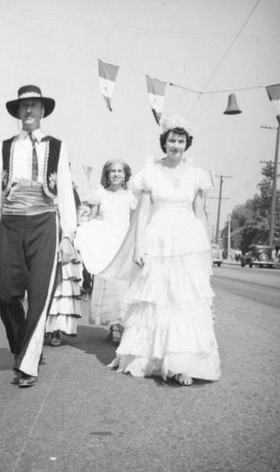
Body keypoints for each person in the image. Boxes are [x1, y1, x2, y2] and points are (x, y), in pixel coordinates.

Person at [108, 115, 220, 386]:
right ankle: (152, 357)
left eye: (181, 141)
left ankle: (183, 363)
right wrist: (138, 246)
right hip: (157, 238)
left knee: (183, 300)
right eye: (172, 140)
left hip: (187, 241)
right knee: (158, 299)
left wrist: (206, 247)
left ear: (187, 143)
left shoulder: (197, 176)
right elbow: (144, 212)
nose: (176, 145)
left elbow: (200, 212)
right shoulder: (150, 174)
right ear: (164, 142)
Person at [0, 85, 76, 388]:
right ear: (18, 113)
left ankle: (28, 364)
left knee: (39, 296)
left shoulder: (57, 147)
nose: (30, 112)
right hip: (10, 224)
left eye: (35, 106)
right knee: (6, 296)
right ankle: (23, 349)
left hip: (44, 224)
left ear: (43, 111)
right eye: (25, 107)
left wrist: (68, 235)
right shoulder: (6, 147)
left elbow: (66, 194)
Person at [76, 159, 137, 342]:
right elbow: (92, 220)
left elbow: (134, 222)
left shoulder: (130, 196)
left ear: (125, 174)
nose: (116, 174)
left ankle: (123, 322)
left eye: (120, 171)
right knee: (109, 284)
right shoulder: (100, 194)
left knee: (123, 285)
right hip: (106, 244)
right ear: (107, 174)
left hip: (123, 243)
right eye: (112, 171)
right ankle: (114, 324)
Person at [45, 183, 83, 347]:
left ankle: (56, 330)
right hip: (45, 240)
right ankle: (43, 327)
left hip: (64, 242)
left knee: (62, 288)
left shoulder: (70, 192)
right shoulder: (44, 187)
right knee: (45, 286)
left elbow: (74, 219)